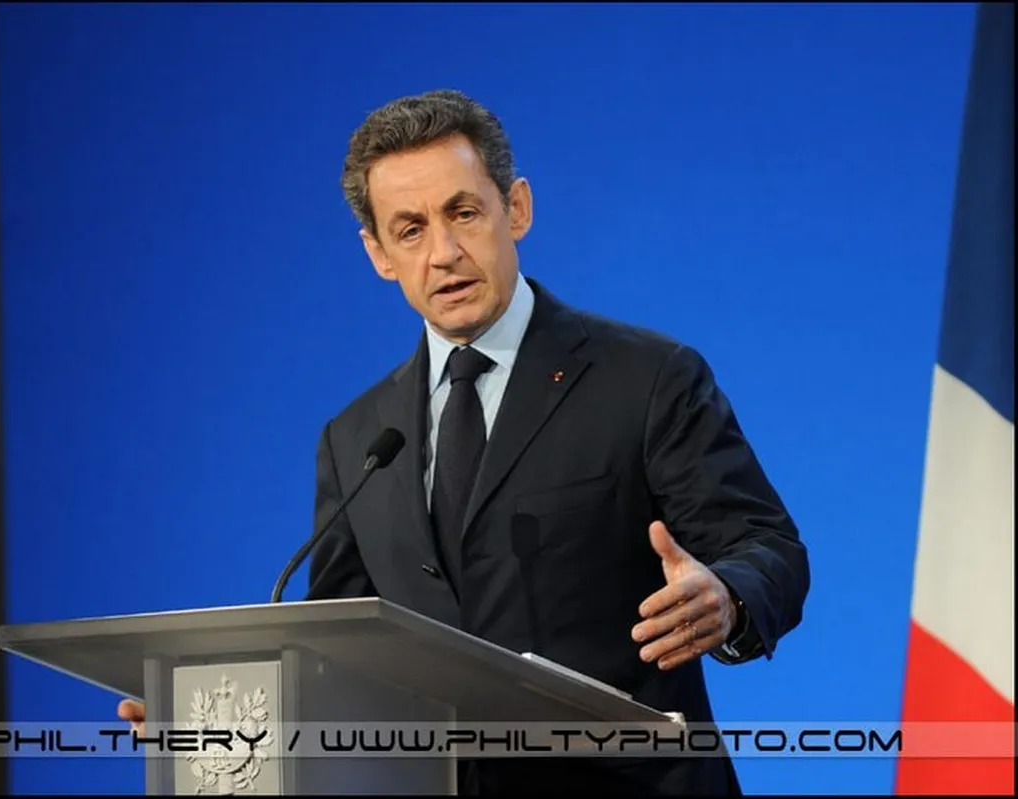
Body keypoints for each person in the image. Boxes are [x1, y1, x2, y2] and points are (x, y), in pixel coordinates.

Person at [120, 89, 810, 794]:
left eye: (464, 213)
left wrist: (726, 595)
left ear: (516, 208)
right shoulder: (357, 437)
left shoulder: (647, 378)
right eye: (410, 228)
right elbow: (346, 656)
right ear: (378, 253)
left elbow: (768, 546)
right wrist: (227, 720)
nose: (444, 253)